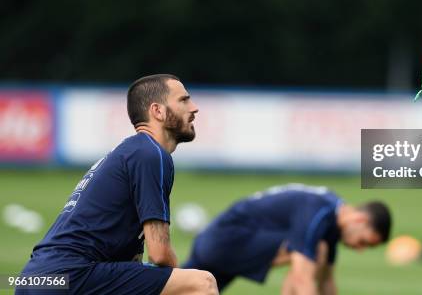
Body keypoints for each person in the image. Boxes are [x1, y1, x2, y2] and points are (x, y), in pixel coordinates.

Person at [16, 74, 218, 295]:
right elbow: (160, 254)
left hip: (36, 279)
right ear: (158, 111)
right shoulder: (150, 154)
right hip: (70, 275)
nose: (194, 107)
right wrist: (179, 284)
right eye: (184, 100)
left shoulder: (132, 152)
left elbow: (131, 264)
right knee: (201, 283)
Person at [182, 183, 392, 294]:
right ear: (359, 219)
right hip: (225, 242)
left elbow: (327, 280)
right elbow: (302, 278)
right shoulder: (318, 212)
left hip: (222, 243)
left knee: (181, 289)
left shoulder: (330, 218)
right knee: (311, 254)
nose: (360, 249)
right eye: (364, 241)